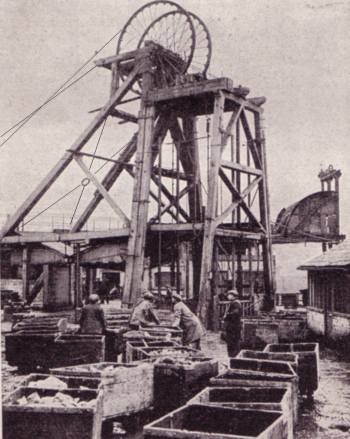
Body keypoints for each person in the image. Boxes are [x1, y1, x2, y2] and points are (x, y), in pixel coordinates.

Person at [223, 289, 242, 357]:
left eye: (229, 295)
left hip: (234, 327)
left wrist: (227, 315)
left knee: (233, 343)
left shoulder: (236, 303)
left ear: (233, 296)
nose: (228, 296)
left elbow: (235, 313)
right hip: (232, 326)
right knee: (232, 343)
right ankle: (232, 356)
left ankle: (234, 357)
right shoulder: (233, 303)